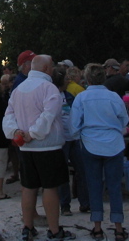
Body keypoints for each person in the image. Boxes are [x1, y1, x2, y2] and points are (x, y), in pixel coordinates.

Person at [3, 55, 75, 241]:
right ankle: (54, 230)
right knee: (50, 188)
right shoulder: (48, 88)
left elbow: (8, 114)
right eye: (50, 67)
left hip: (26, 148)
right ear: (45, 68)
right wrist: (33, 133)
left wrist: (17, 132)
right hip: (47, 146)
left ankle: (28, 227)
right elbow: (49, 115)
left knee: (28, 187)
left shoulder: (18, 89)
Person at [70, 64, 128, 241]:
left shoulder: (81, 97)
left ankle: (97, 227)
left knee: (94, 184)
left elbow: (73, 125)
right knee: (115, 186)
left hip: (90, 143)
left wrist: (81, 132)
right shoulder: (114, 97)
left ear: (87, 79)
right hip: (113, 143)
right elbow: (124, 119)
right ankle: (118, 228)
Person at [53, 67, 89, 217]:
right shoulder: (52, 96)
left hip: (74, 137)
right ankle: (65, 205)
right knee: (62, 174)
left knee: (82, 170)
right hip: (61, 139)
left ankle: (85, 203)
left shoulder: (69, 96)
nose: (69, 81)